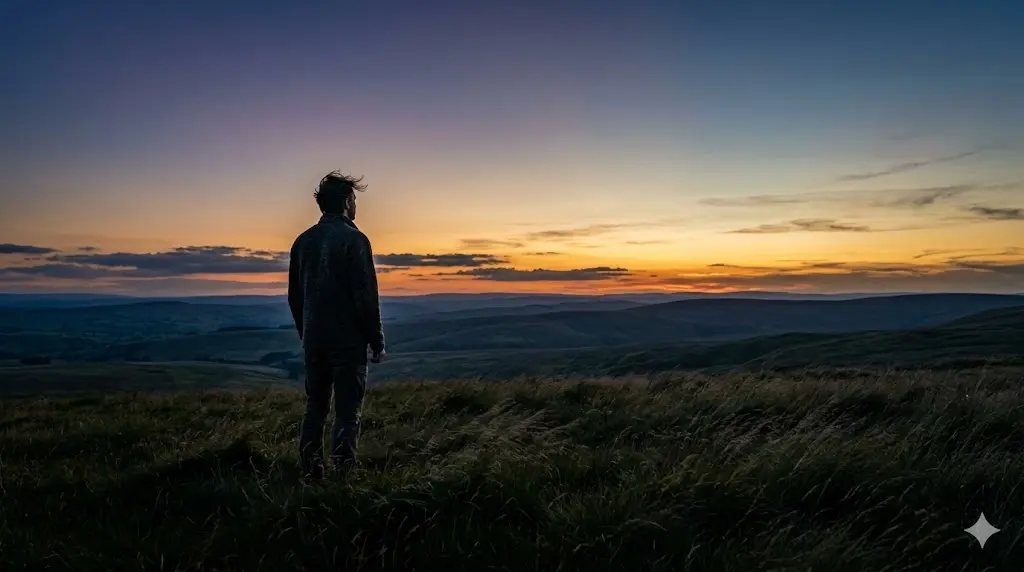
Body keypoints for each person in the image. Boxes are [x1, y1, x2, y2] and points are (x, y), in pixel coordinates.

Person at [288, 170, 386, 480]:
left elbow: (295, 297)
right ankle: (344, 477)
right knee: (347, 413)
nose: (356, 205)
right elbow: (365, 296)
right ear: (346, 201)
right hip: (347, 342)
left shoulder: (302, 242)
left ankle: (310, 474)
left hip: (314, 340)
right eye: (354, 199)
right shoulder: (355, 240)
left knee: (315, 408)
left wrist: (306, 334)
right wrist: (376, 339)